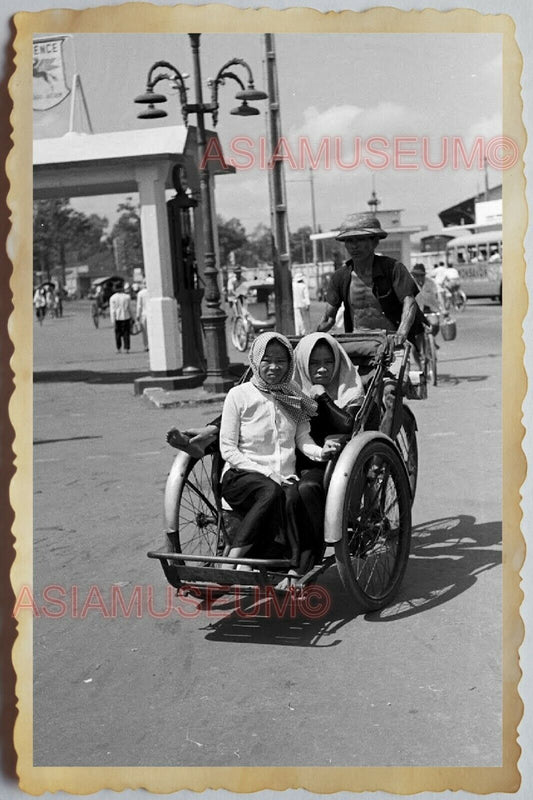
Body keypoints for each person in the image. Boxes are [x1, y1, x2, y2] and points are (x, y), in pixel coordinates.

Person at [218, 332, 341, 574]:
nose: (273, 367)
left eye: (281, 361)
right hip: (242, 476)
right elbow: (228, 449)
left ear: (289, 364)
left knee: (296, 498)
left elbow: (302, 439)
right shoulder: (239, 395)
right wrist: (266, 472)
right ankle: (234, 559)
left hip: (284, 478)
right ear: (255, 360)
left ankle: (295, 568)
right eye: (267, 360)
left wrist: (321, 453)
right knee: (271, 490)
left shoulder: (292, 394)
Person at [291, 332, 365, 570]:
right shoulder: (290, 386)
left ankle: (310, 557)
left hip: (331, 461)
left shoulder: (350, 389)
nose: (322, 369)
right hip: (291, 457)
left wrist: (322, 396)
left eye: (328, 362)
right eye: (314, 363)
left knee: (306, 488)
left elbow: (347, 425)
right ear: (302, 363)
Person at [316, 212, 425, 347]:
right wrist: (312, 337)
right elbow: (329, 318)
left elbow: (409, 302)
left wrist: (402, 332)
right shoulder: (340, 277)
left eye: (360, 239)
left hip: (390, 341)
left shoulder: (393, 269)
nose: (354, 246)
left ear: (375, 241)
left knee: (396, 365)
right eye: (349, 241)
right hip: (356, 341)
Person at [109, 282, 133, 354]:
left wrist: (113, 320)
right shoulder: (127, 297)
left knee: (118, 334)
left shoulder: (113, 298)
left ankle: (118, 348)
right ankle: (126, 348)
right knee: (126, 333)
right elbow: (130, 308)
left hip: (117, 318)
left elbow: (112, 310)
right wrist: (133, 317)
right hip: (126, 317)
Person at [292, 271, 311, 335]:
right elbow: (306, 296)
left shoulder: (293, 285)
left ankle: (298, 332)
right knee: (303, 319)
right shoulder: (303, 285)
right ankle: (303, 332)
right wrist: (308, 304)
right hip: (303, 304)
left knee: (297, 319)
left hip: (295, 304)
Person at [135, 279, 149, 351]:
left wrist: (138, 316)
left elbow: (139, 306)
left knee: (145, 332)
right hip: (153, 314)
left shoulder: (140, 293)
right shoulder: (152, 292)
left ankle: (146, 346)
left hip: (144, 314)